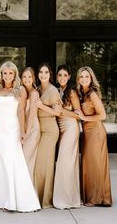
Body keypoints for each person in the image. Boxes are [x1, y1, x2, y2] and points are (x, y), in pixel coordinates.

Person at [0, 61, 41, 212]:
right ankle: (3, 199)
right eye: (5, 73)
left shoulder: (20, 89)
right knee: (1, 162)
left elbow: (21, 111)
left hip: (13, 129)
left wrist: (23, 131)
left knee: (12, 161)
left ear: (15, 74)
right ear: (1, 74)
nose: (7, 76)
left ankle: (14, 201)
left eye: (10, 73)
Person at [75, 66, 112, 207]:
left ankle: (96, 198)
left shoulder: (92, 94)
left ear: (91, 79)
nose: (84, 79)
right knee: (89, 164)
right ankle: (96, 196)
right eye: (81, 76)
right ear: (78, 79)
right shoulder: (82, 93)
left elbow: (102, 115)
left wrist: (84, 117)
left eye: (87, 76)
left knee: (95, 164)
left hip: (95, 132)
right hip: (88, 132)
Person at [52, 64, 81, 209]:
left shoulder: (72, 92)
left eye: (65, 75)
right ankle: (66, 196)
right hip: (60, 129)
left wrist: (62, 110)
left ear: (69, 77)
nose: (62, 78)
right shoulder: (57, 91)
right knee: (63, 162)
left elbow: (78, 115)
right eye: (59, 75)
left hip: (70, 128)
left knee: (66, 162)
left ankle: (67, 199)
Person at [34, 62, 61, 208]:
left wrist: (41, 106)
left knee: (44, 164)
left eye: (46, 72)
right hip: (39, 130)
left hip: (50, 130)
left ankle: (45, 199)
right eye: (41, 72)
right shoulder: (37, 89)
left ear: (50, 74)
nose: (43, 75)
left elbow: (58, 112)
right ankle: (37, 196)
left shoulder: (53, 91)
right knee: (41, 164)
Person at [21, 67, 40, 184]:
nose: (27, 79)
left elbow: (32, 114)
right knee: (24, 160)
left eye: (29, 76)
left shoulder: (34, 93)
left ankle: (29, 193)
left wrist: (26, 133)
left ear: (33, 78)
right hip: (24, 129)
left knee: (27, 159)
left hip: (32, 130)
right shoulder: (22, 92)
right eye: (24, 76)